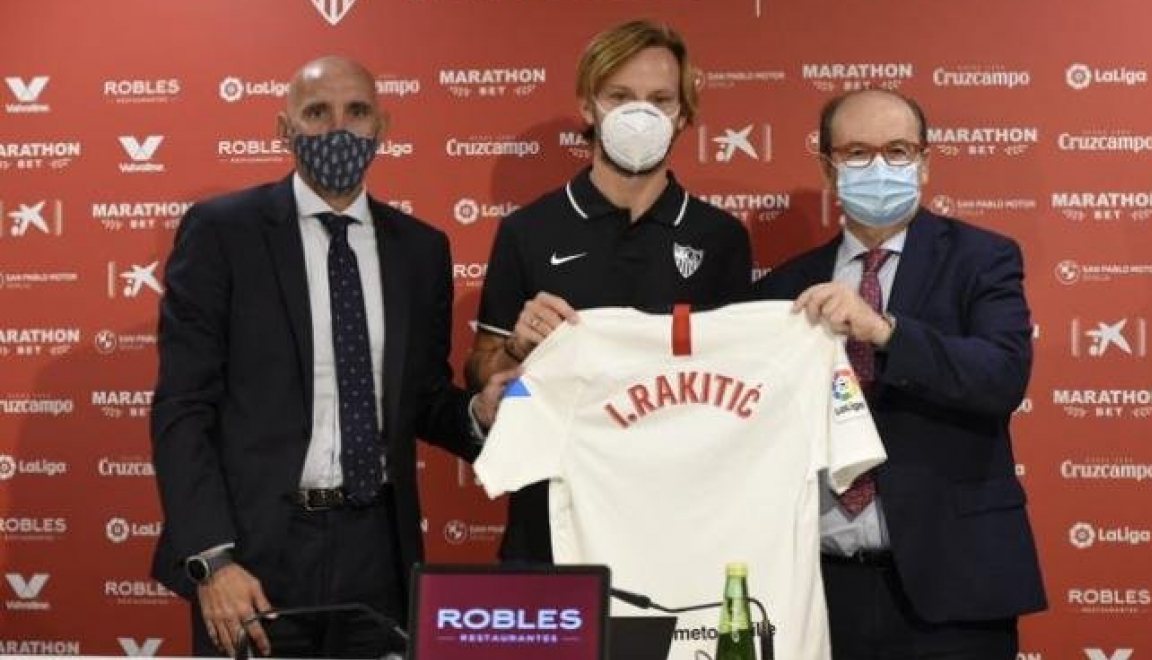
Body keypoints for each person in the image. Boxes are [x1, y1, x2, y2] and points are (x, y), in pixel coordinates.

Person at [150, 56, 511, 658]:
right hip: (255, 556)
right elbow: (184, 407)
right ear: (284, 128)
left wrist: (478, 413)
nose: (338, 129)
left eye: (357, 112)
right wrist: (212, 559)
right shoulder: (223, 233)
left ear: (382, 127)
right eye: (317, 112)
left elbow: (422, 396)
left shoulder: (421, 249)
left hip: (379, 552)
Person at [753, 89, 1046, 659]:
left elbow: (1002, 376)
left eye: (897, 150)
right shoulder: (784, 288)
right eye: (857, 152)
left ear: (924, 162)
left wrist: (885, 331)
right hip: (819, 587)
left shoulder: (983, 258)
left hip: (954, 586)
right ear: (829, 168)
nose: (879, 167)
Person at [463, 19, 753, 563]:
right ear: (588, 105)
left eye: (660, 99)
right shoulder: (530, 230)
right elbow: (482, 371)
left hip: (676, 521)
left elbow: (740, 384)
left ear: (684, 113)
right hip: (553, 517)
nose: (639, 115)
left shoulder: (720, 238)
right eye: (620, 96)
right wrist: (516, 347)